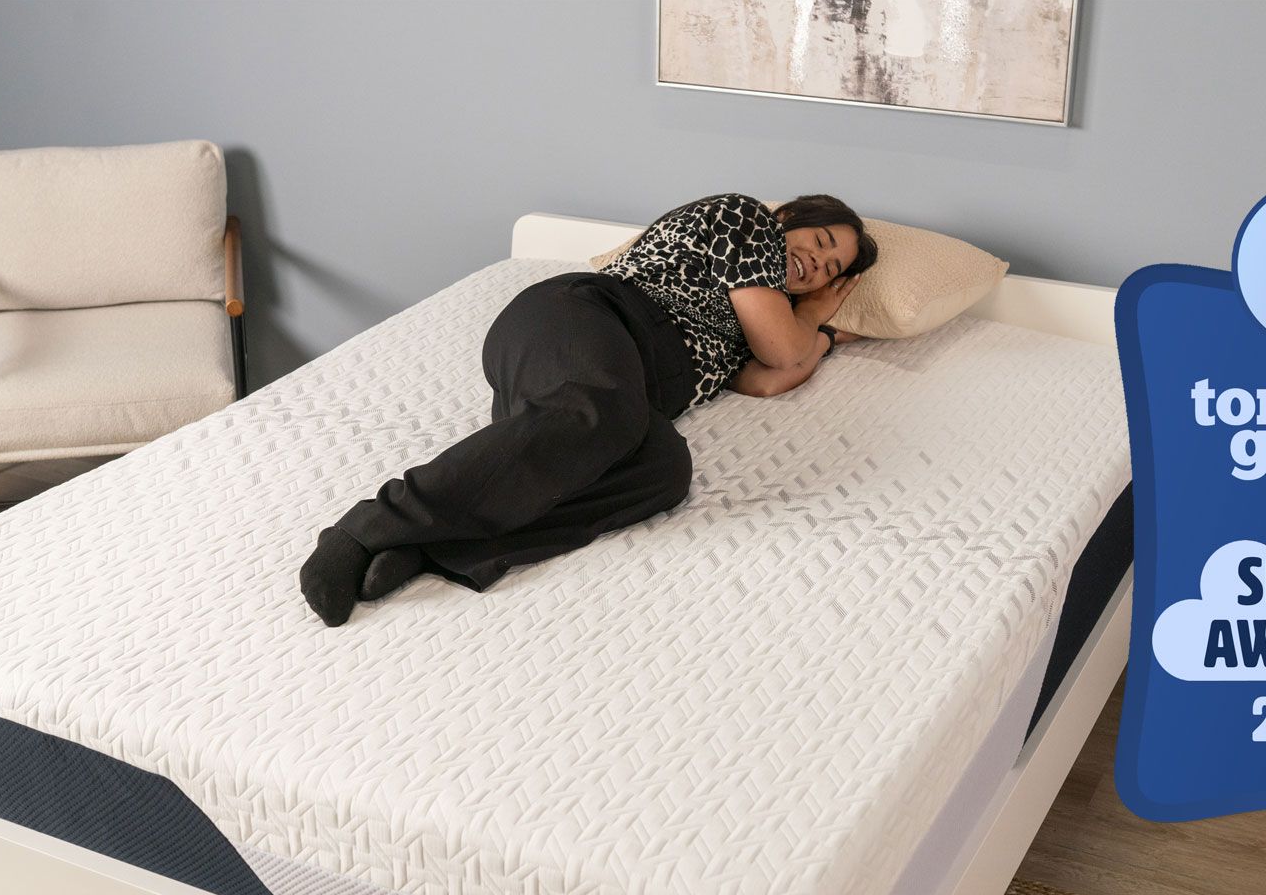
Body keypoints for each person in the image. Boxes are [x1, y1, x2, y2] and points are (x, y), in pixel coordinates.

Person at [299, 192, 880, 626]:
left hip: (617, 392)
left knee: (664, 470)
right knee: (599, 409)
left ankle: (430, 548)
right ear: (790, 219)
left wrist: (820, 339)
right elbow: (782, 352)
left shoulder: (762, 315)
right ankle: (364, 527)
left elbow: (764, 381)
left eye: (831, 271)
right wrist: (812, 321)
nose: (816, 265)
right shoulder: (746, 220)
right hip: (584, 318)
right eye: (820, 243)